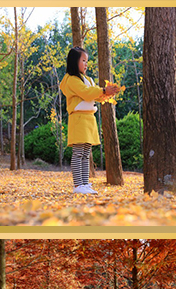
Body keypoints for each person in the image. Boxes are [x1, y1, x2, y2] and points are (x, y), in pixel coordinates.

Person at [59, 46, 120, 194]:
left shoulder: (88, 79)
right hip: (78, 119)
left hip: (88, 118)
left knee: (86, 153)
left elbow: (96, 95)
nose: (86, 64)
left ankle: (85, 184)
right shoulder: (71, 80)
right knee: (78, 152)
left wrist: (107, 93)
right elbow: (86, 93)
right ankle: (78, 185)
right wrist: (104, 91)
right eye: (83, 60)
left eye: (87, 61)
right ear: (74, 61)